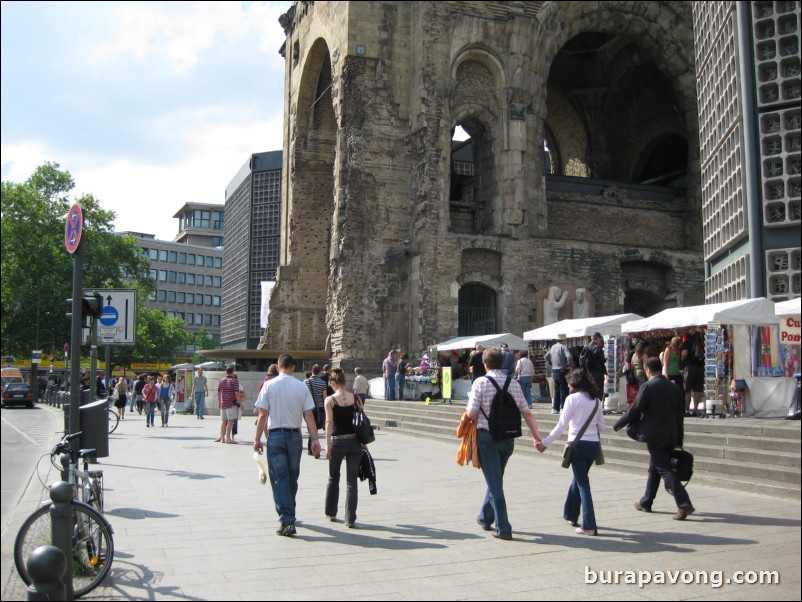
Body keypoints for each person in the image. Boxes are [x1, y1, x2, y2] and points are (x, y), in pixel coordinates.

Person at [466, 347, 543, 540]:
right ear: (504, 363)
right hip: (508, 439)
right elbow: (527, 412)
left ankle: (504, 528)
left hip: (487, 438)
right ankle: (485, 517)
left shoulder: (480, 383)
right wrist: (536, 436)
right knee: (495, 480)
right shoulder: (514, 383)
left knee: (495, 485)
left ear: (485, 365)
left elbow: (471, 413)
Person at [613, 357, 695, 521]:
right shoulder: (674, 388)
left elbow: (635, 409)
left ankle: (684, 504)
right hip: (671, 434)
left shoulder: (649, 386)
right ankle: (646, 501)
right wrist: (679, 439)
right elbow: (680, 416)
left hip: (654, 435)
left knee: (664, 468)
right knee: (654, 468)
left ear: (647, 369)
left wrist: (619, 423)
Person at [253, 353, 321, 537]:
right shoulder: (301, 387)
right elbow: (309, 415)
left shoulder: (269, 385)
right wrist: (315, 440)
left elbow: (262, 414)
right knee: (292, 477)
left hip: (275, 436)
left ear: (277, 365)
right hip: (295, 437)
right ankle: (289, 511)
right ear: (292, 367)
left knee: (279, 478)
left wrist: (257, 438)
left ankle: (287, 518)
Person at [536, 369, 605, 535]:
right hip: (593, 445)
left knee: (582, 484)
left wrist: (545, 443)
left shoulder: (572, 399)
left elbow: (561, 426)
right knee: (579, 478)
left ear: (575, 384)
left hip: (577, 445)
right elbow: (601, 426)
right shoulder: (596, 401)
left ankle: (589, 524)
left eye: (569, 382)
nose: (567, 385)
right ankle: (571, 514)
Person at [324, 367, 365, 527]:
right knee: (351, 481)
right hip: (355, 441)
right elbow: (361, 420)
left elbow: (329, 422)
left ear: (333, 383)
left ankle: (331, 512)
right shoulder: (355, 398)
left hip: (338, 441)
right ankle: (350, 518)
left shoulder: (330, 400)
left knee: (334, 477)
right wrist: (364, 442)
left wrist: (327, 444)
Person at [304, 365, 328, 456]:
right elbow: (325, 396)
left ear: (311, 370)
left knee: (310, 427)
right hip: (320, 408)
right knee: (316, 427)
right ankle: (313, 446)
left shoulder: (305, 382)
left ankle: (312, 448)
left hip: (308, 407)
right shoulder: (322, 383)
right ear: (320, 372)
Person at [545, 335, 573, 414]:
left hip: (555, 370)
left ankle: (555, 408)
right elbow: (569, 357)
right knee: (564, 389)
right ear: (564, 340)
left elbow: (546, 357)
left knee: (556, 389)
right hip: (562, 370)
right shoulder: (563, 347)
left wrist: (551, 363)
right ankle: (563, 407)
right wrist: (569, 365)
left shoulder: (553, 347)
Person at [680, 332, 705, 415]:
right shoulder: (700, 343)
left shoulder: (687, 343)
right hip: (700, 367)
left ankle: (687, 409)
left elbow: (684, 354)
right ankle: (695, 409)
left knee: (688, 388)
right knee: (697, 389)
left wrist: (681, 359)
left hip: (690, 367)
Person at [216, 366, 239, 443]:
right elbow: (236, 393)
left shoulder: (221, 380)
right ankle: (228, 438)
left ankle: (222, 438)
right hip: (231, 404)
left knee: (224, 421)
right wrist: (239, 402)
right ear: (233, 372)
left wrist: (219, 402)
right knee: (230, 421)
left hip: (223, 403)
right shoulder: (234, 381)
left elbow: (218, 392)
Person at [583, 332, 607, 399]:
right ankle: (598, 407)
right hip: (597, 373)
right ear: (598, 339)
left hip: (589, 373)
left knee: (591, 391)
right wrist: (605, 358)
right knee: (599, 391)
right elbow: (602, 360)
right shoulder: (597, 348)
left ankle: (592, 406)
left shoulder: (587, 346)